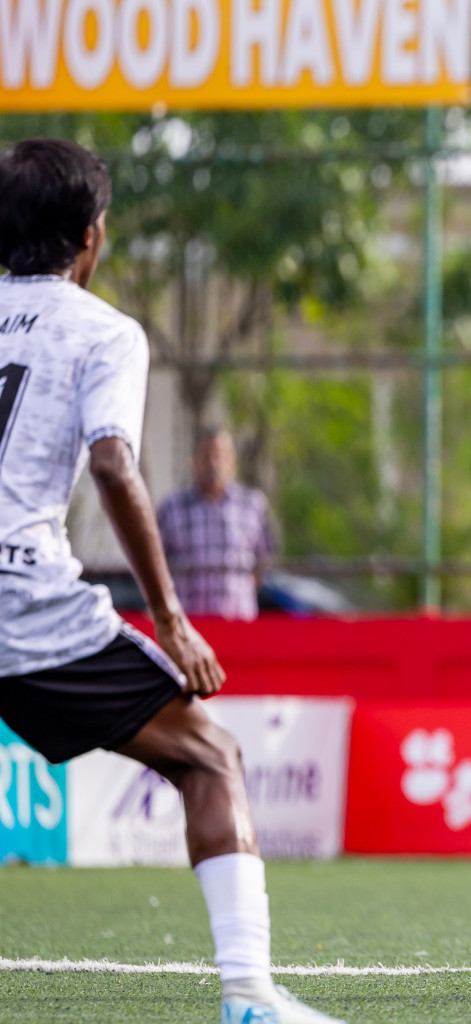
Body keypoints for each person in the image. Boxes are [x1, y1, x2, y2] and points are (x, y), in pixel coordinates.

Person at [0, 138, 342, 1024]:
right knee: (210, 756)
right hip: (24, 606)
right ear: (92, 236)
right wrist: (171, 619)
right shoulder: (103, 330)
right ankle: (249, 998)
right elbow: (116, 463)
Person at [157, 427, 276, 621]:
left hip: (239, 624)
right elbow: (158, 564)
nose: (213, 463)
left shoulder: (253, 505)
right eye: (205, 456)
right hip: (187, 625)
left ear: (232, 461)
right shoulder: (171, 508)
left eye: (219, 455)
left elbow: (264, 562)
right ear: (193, 460)